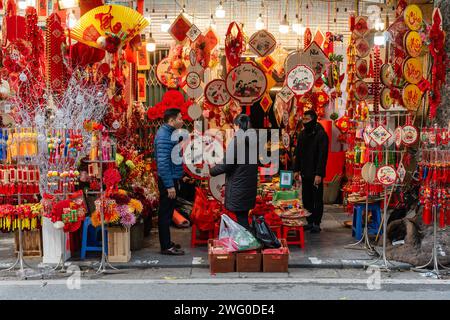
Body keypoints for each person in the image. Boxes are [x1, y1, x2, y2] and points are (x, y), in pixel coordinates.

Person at [210, 114, 258, 230]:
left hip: (239, 186)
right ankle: (247, 242)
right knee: (243, 217)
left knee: (241, 220)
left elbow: (227, 165)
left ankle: (246, 244)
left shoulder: (237, 141)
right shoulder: (253, 142)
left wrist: (212, 170)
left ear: (236, 125)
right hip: (248, 186)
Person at [154, 108, 185, 255]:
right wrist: (169, 185)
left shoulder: (170, 133)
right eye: (180, 118)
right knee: (165, 214)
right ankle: (166, 246)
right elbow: (163, 163)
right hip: (168, 180)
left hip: (173, 177)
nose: (182, 120)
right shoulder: (164, 136)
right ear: (171, 121)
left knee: (169, 211)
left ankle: (167, 242)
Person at [293, 109, 329, 233]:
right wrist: (296, 169)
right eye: (304, 119)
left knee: (317, 199)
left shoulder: (321, 135)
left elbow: (322, 156)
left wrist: (319, 174)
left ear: (313, 119)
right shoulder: (302, 134)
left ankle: (317, 222)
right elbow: (298, 153)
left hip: (315, 173)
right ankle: (309, 220)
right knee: (306, 198)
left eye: (307, 119)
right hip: (304, 171)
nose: (305, 122)